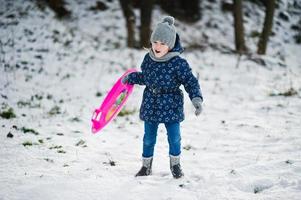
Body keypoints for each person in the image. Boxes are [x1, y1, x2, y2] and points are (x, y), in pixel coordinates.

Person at [122, 16, 203, 179]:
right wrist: (131, 77)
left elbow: (190, 81)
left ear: (170, 45)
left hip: (171, 105)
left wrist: (196, 99)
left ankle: (175, 165)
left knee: (174, 138)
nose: (157, 46)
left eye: (163, 43)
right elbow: (146, 78)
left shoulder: (178, 64)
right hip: (151, 104)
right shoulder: (149, 59)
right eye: (155, 42)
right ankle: (146, 166)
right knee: (148, 139)